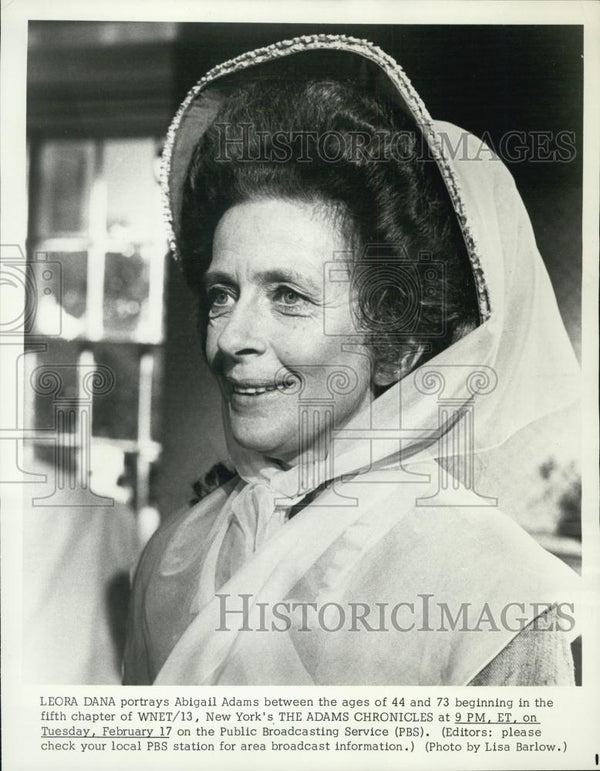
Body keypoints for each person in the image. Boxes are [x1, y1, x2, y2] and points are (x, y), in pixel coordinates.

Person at [123, 34, 581, 685]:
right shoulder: (171, 552)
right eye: (224, 292)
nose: (229, 337)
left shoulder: (498, 596)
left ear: (396, 342)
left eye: (288, 295)